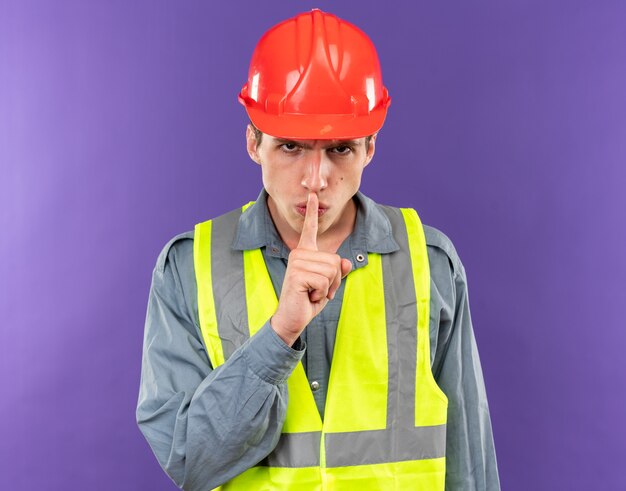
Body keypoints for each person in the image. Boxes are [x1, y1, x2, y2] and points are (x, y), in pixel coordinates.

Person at [136, 8, 500, 490]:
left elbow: (468, 463)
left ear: (371, 147)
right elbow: (189, 461)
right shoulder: (187, 267)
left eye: (340, 149)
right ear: (253, 142)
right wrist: (279, 336)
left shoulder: (430, 262)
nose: (314, 179)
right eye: (290, 147)